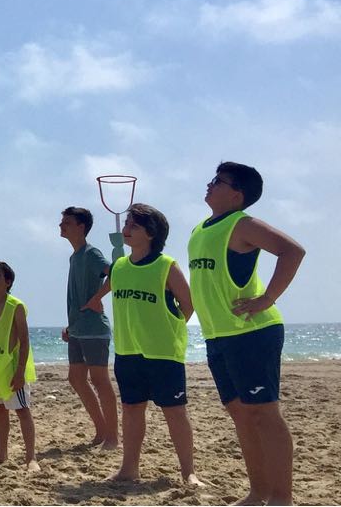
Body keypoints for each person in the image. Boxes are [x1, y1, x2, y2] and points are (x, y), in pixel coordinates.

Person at [188, 162, 305, 506]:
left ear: (237, 194)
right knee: (241, 413)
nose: (209, 185)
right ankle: (258, 492)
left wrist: (267, 298)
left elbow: (292, 251)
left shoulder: (242, 224)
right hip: (218, 336)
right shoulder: (200, 229)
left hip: (252, 333)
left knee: (264, 414)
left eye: (218, 182)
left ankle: (282, 498)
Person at [84, 204, 202, 487]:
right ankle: (129, 469)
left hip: (163, 353)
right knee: (132, 410)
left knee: (174, 413)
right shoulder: (120, 267)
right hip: (127, 352)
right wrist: (94, 302)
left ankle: (189, 473)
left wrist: (169, 329)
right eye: (127, 223)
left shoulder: (166, 266)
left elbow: (187, 305)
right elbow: (103, 293)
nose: (126, 229)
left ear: (150, 233)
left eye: (133, 225)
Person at [59, 206, 119, 448]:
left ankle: (112, 437)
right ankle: (102, 431)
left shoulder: (92, 253)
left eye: (67, 222)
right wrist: (71, 324)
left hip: (95, 328)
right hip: (79, 327)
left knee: (100, 379)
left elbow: (116, 271)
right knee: (76, 378)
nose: (61, 226)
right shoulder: (75, 256)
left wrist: (98, 298)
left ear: (81, 226)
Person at [0, 260, 39, 472]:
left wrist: (20, 371)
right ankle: (1, 453)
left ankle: (31, 458)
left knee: (22, 410)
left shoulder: (16, 306)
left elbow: (25, 339)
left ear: (8, 281)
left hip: (12, 367)